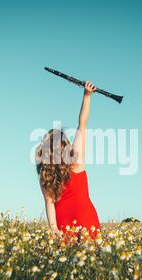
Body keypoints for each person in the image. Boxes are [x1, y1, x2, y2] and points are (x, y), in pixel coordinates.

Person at [36, 81, 101, 240]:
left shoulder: (46, 174)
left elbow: (49, 203)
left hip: (63, 224)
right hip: (87, 220)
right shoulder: (76, 161)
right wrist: (87, 96)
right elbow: (82, 125)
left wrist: (54, 229)